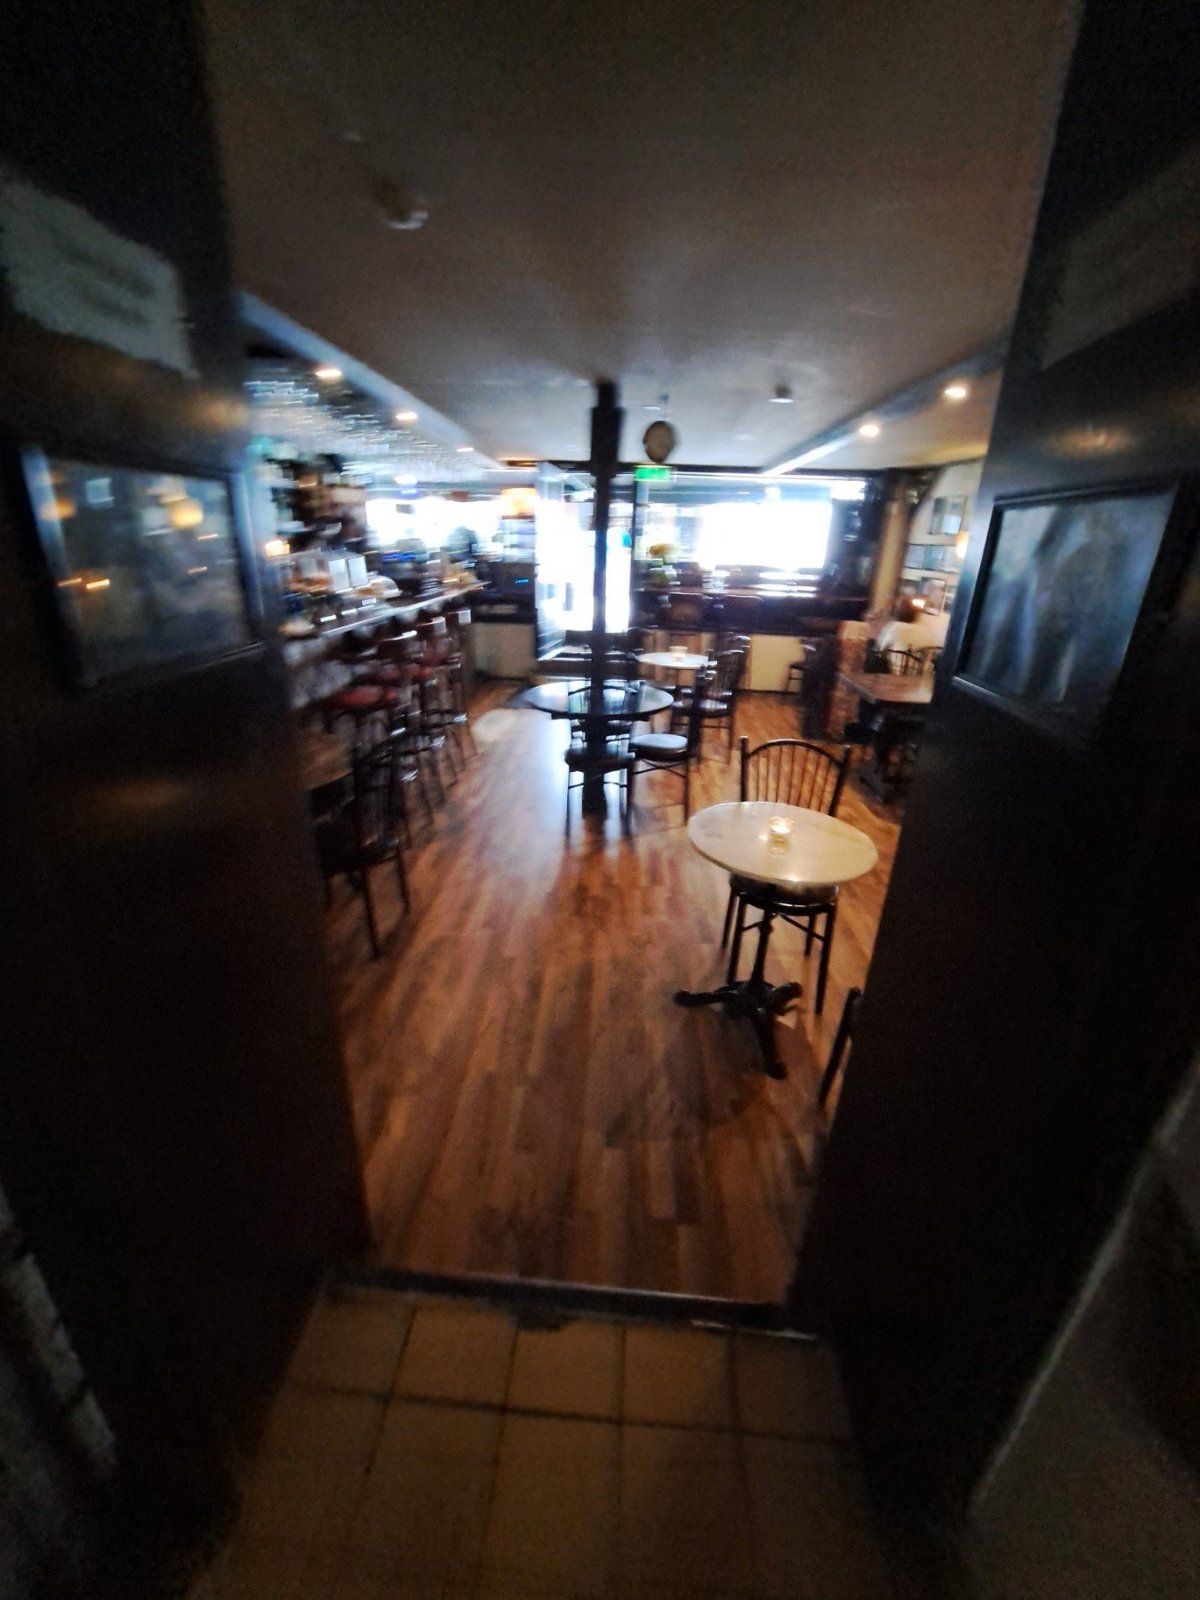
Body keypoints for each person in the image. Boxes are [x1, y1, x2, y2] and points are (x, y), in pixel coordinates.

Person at [875, 596, 948, 657]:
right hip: (921, 669)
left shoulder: (895, 627)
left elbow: (880, 649)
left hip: (895, 668)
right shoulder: (924, 630)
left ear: (897, 613)